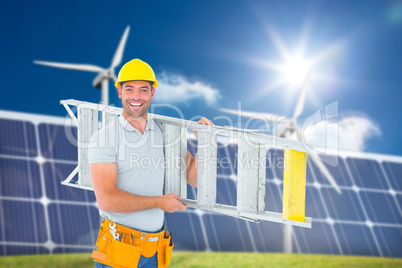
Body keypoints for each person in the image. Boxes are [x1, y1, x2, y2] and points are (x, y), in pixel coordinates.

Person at [88, 58, 213, 268]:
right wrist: (158, 202)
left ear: (152, 93)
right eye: (129, 89)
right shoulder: (105, 138)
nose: (136, 97)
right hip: (119, 251)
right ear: (119, 91)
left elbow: (194, 179)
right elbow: (107, 200)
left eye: (143, 90)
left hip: (154, 252)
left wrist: (204, 145)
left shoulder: (167, 133)